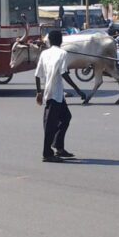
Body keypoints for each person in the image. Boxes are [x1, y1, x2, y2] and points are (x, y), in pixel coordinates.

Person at [35, 29, 85, 163]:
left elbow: (37, 75)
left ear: (50, 41)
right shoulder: (63, 53)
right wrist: (78, 90)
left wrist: (39, 92)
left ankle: (58, 146)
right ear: (61, 41)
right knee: (50, 124)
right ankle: (47, 153)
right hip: (55, 93)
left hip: (52, 93)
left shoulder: (44, 53)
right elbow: (64, 73)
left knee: (66, 117)